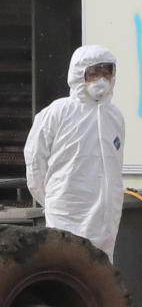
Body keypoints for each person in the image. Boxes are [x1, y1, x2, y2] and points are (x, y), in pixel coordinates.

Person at [24, 45, 124, 261]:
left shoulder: (114, 117)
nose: (101, 79)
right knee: (66, 274)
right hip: (66, 215)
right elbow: (35, 164)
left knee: (100, 278)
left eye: (106, 72)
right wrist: (53, 200)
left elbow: (115, 168)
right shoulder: (57, 113)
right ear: (79, 75)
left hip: (105, 222)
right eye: (94, 73)